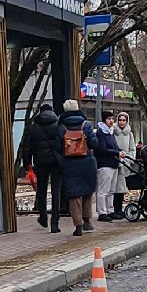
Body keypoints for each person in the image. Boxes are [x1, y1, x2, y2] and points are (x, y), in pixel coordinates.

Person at [57, 100, 99, 235]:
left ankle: (78, 225)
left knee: (74, 195)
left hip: (70, 164)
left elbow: (57, 147)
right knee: (87, 192)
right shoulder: (86, 125)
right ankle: (87, 221)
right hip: (87, 163)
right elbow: (94, 143)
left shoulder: (61, 127)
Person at [20, 102, 63, 230]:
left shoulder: (33, 127)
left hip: (40, 162)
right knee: (56, 191)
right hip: (56, 161)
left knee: (42, 190)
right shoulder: (58, 126)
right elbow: (63, 143)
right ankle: (55, 223)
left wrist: (27, 164)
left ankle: (43, 217)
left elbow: (27, 147)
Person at [92, 111, 123, 222]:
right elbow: (102, 149)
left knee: (111, 190)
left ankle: (110, 210)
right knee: (103, 190)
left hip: (113, 163)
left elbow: (114, 146)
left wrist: (120, 151)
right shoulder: (101, 133)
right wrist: (117, 153)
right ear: (104, 120)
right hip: (105, 164)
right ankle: (102, 212)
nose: (111, 121)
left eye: (112, 119)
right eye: (109, 119)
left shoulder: (111, 132)